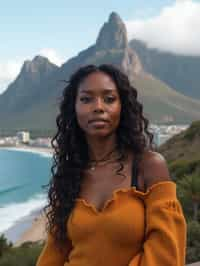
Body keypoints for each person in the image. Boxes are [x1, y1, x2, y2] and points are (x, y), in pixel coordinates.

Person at [36, 64, 187, 266]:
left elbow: (166, 251)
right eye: (86, 99)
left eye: (109, 99)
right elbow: (54, 252)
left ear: (122, 106)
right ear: (74, 108)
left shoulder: (148, 166)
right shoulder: (70, 176)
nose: (98, 107)